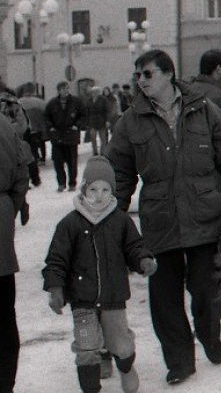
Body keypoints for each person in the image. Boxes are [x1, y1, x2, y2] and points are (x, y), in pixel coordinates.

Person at [105, 49, 221, 385]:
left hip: (204, 213)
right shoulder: (130, 121)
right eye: (138, 75)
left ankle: (208, 333)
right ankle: (179, 360)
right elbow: (120, 171)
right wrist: (112, 212)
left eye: (148, 74)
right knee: (164, 296)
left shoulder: (204, 110)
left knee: (206, 287)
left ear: (169, 74)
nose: (141, 81)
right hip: (160, 219)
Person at [42, 157, 157, 393]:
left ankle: (125, 367)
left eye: (105, 189)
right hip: (82, 298)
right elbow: (57, 259)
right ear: (84, 189)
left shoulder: (120, 221)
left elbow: (133, 247)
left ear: (112, 192)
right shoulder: (70, 224)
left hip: (113, 296)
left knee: (121, 344)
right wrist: (55, 288)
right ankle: (91, 388)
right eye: (93, 189)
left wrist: (143, 260)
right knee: (86, 347)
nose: (99, 195)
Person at [0, 112, 30, 393]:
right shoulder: (5, 126)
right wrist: (9, 208)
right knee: (4, 311)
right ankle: (5, 381)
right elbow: (22, 174)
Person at [44, 81, 87, 192]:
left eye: (67, 88)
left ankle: (72, 183)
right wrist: (51, 127)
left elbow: (84, 114)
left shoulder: (76, 102)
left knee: (72, 162)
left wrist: (77, 125)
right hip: (57, 136)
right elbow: (46, 117)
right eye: (63, 88)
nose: (65, 90)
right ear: (58, 90)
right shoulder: (52, 103)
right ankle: (61, 183)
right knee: (57, 162)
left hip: (71, 136)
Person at [18, 83, 47, 167]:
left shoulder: (19, 102)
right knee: (41, 143)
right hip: (39, 126)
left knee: (32, 145)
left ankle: (36, 158)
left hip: (28, 127)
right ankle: (43, 158)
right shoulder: (40, 102)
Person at [86, 87, 112, 156]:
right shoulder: (89, 100)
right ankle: (95, 152)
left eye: (96, 91)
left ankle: (103, 153)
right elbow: (87, 111)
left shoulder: (103, 99)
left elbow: (108, 110)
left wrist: (108, 120)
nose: (95, 93)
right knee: (93, 137)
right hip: (92, 121)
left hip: (102, 120)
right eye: (94, 91)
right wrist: (87, 121)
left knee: (103, 138)